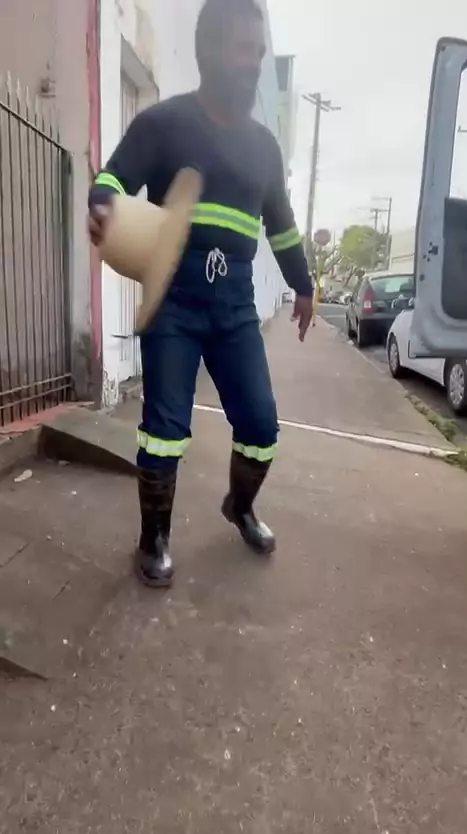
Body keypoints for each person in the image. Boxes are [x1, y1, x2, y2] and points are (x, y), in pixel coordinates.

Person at [88, 0, 313, 589]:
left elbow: (282, 226)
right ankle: (154, 538)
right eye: (242, 49)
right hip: (175, 296)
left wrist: (305, 285)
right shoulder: (163, 124)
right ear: (208, 50)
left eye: (258, 52)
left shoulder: (264, 147)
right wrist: (102, 205)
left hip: (235, 301)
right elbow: (112, 178)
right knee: (164, 429)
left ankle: (240, 506)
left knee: (260, 426)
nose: (253, 63)